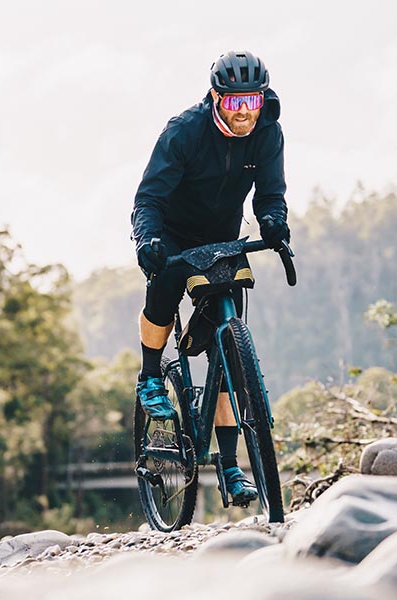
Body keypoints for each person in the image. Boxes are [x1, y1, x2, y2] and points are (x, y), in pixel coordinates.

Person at [131, 50, 290, 504]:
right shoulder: (184, 132)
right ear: (217, 98)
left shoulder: (268, 132)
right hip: (173, 235)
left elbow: (271, 193)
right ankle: (149, 378)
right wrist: (148, 242)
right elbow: (148, 200)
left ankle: (229, 467)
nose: (245, 116)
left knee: (225, 349)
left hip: (224, 237)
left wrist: (274, 220)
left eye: (252, 104)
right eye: (236, 104)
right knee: (161, 292)